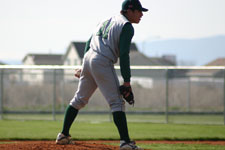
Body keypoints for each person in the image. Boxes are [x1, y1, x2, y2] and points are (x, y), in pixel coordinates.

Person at [56, 0, 148, 149]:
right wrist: (127, 81)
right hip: (102, 61)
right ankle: (125, 142)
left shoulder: (105, 20)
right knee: (116, 103)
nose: (141, 14)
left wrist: (84, 66)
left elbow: (88, 42)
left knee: (79, 99)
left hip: (89, 57)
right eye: (139, 11)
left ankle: (63, 135)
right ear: (129, 10)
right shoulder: (126, 26)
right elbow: (124, 54)